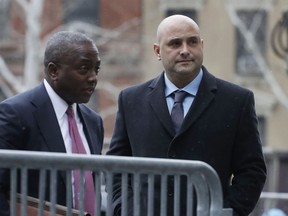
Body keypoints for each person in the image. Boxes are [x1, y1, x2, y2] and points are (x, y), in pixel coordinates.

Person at [106, 14, 267, 216]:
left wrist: (226, 212)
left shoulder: (237, 100)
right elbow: (116, 167)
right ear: (157, 51)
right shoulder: (131, 100)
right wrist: (126, 210)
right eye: (175, 43)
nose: (185, 50)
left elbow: (252, 171)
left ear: (201, 45)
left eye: (192, 42)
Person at [0, 31, 104, 216]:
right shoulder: (15, 114)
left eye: (96, 69)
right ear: (53, 71)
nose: (93, 78)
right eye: (83, 68)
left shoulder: (93, 121)